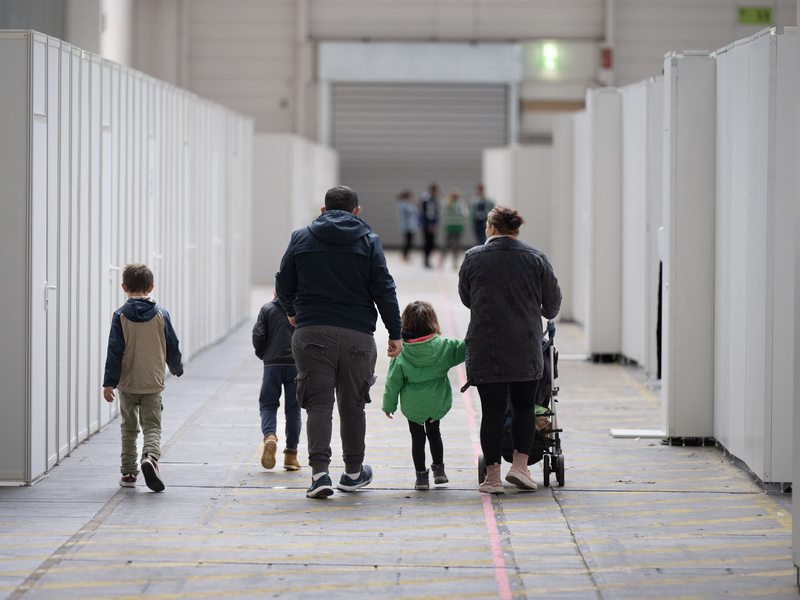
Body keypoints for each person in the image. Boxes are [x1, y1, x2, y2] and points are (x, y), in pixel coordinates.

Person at [276, 185, 403, 499]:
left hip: (310, 333)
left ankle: (320, 476)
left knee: (318, 405)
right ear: (356, 211)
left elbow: (283, 282)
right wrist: (395, 333)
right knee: (352, 407)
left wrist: (292, 312)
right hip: (357, 336)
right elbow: (384, 290)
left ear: (323, 210)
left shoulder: (301, 237)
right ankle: (353, 473)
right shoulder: (369, 242)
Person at [458, 207, 561, 494]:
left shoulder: (473, 257)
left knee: (491, 412)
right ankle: (520, 467)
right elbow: (552, 304)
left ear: (490, 227)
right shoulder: (536, 258)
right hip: (524, 345)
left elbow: (467, 298)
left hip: (485, 345)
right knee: (524, 406)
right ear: (515, 229)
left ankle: (492, 478)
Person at [102, 263, 184, 492]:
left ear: (123, 287)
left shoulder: (120, 316)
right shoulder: (161, 314)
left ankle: (128, 473)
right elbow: (172, 344)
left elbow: (114, 351)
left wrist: (109, 382)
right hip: (152, 381)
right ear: (151, 287)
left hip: (127, 383)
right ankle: (150, 457)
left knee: (129, 428)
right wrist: (176, 367)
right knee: (152, 426)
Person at [382, 301, 465, 490]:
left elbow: (392, 382)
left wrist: (389, 406)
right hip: (436, 401)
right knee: (435, 434)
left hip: (413, 404)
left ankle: (421, 476)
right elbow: (465, 348)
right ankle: (440, 471)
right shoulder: (445, 346)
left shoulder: (401, 351)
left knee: (417, 439)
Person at [252, 281, 302, 472]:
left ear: (275, 292)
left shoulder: (267, 309)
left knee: (268, 404)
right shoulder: (301, 310)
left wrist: (264, 355)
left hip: (272, 364)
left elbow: (258, 335)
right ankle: (291, 456)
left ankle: (270, 436)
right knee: (294, 410)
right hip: (296, 365)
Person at [441, 188, 469, 269]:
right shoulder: (461, 203)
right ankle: (455, 262)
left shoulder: (446, 203)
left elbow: (443, 214)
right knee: (456, 245)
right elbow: (465, 214)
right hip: (458, 226)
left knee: (447, 244)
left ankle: (442, 261)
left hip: (449, 226)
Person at [419, 182, 441, 268]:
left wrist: (434, 224)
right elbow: (423, 213)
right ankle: (426, 260)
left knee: (431, 243)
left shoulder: (435, 200)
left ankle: (429, 259)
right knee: (426, 243)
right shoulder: (425, 199)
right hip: (426, 225)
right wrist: (427, 224)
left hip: (432, 224)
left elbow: (436, 213)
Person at [396, 189, 419, 262]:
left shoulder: (405, 204)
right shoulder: (404, 204)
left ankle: (406, 254)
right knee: (408, 241)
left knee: (409, 241)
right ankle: (405, 254)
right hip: (407, 226)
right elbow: (412, 211)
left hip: (410, 225)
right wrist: (413, 203)